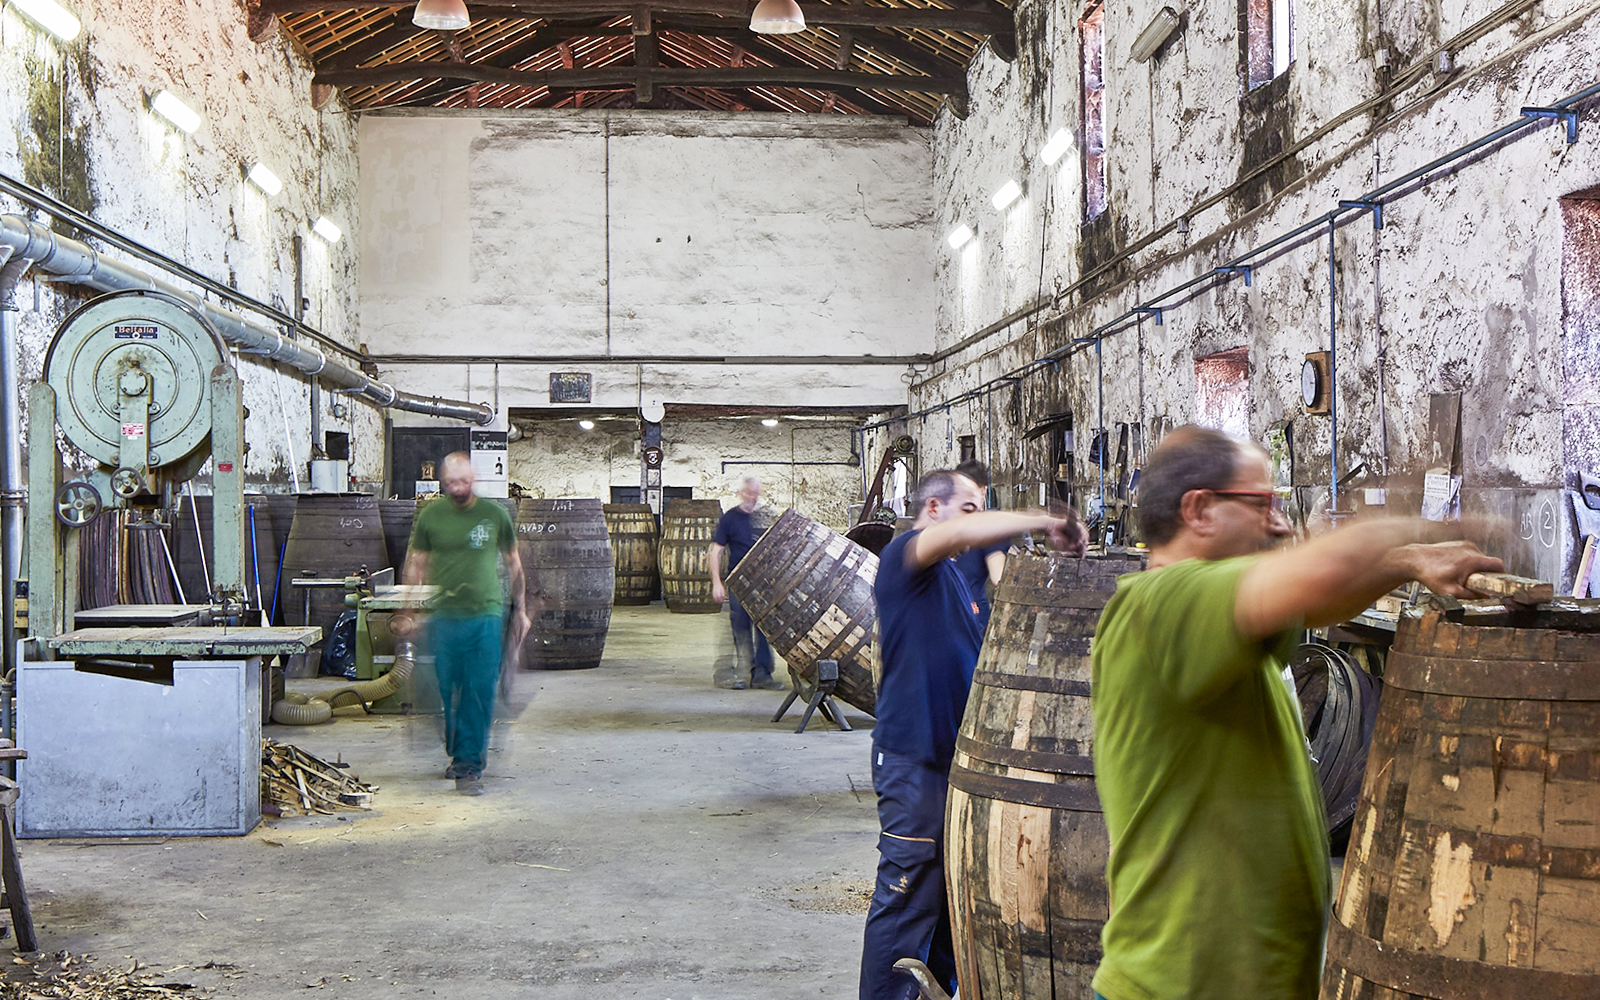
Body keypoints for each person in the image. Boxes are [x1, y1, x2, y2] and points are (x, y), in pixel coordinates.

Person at [1089, 426, 1502, 1000]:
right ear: (1200, 509)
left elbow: (1322, 595)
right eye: (1262, 503)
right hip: (1177, 987)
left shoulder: (1227, 623)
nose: (1278, 522)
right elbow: (1321, 573)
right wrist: (1425, 520)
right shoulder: (1158, 606)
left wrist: (1408, 561)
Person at [860, 469, 1085, 1000]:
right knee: (906, 896)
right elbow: (961, 537)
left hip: (955, 763)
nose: (976, 520)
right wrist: (1048, 519)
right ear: (933, 510)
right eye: (968, 508)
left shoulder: (959, 586)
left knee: (945, 905)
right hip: (913, 762)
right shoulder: (903, 561)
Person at [397, 452, 531, 796]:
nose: (458, 489)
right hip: (445, 616)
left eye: (464, 482)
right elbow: (417, 564)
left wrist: (520, 611)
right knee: (446, 689)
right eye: (451, 483)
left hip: (486, 615)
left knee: (479, 689)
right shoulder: (432, 516)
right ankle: (459, 752)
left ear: (474, 479)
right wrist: (408, 610)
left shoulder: (494, 515)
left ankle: (469, 765)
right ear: (443, 483)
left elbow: (514, 564)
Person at [708, 476, 782, 690]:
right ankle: (739, 674)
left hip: (763, 584)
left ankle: (762, 675)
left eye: (755, 493)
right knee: (740, 626)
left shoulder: (765, 518)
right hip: (738, 583)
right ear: (741, 493)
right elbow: (716, 550)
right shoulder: (730, 518)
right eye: (748, 493)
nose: (752, 497)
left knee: (764, 629)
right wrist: (717, 582)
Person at [952, 459, 1007, 631]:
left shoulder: (943, 522)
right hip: (971, 613)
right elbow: (999, 578)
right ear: (983, 490)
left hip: (940, 611)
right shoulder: (989, 527)